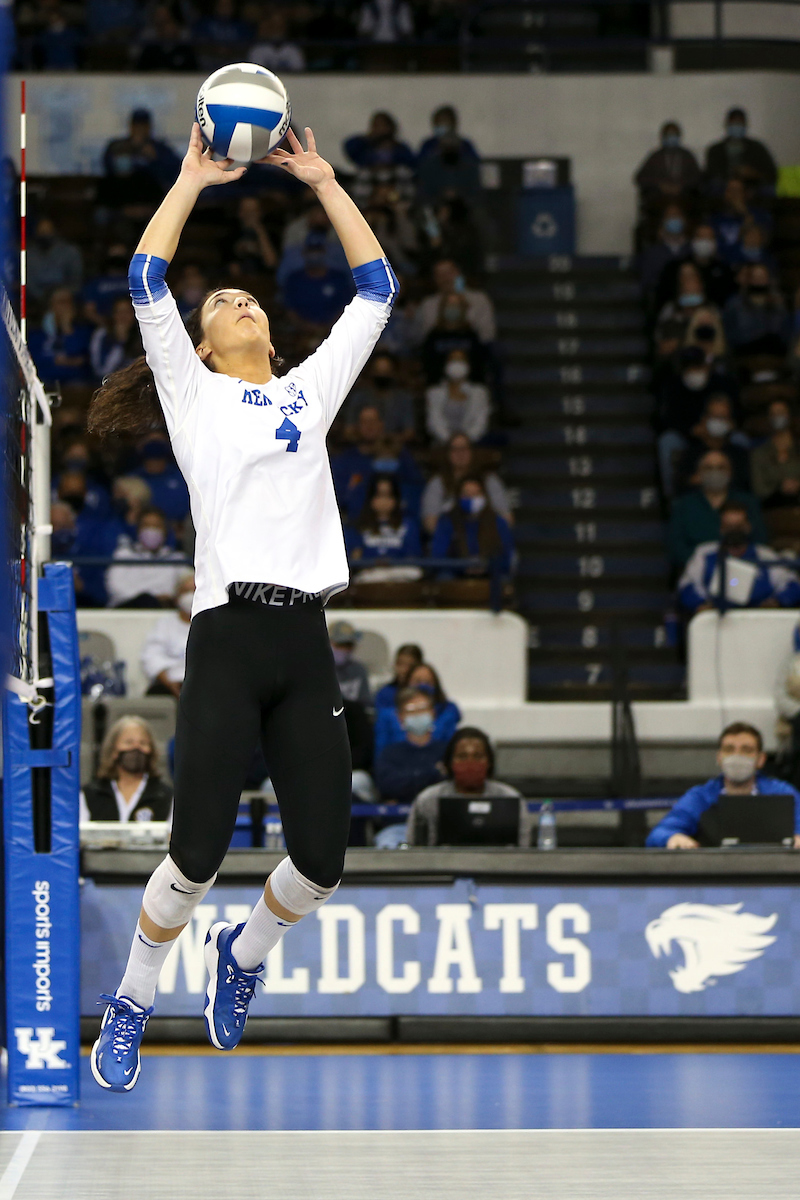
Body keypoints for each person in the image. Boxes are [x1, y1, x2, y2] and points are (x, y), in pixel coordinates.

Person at [85, 121, 399, 1090]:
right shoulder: (193, 394)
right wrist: (189, 178)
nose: (240, 301)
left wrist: (323, 181)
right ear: (205, 346)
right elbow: (145, 277)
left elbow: (377, 290)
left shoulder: (308, 392)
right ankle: (132, 1000)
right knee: (194, 854)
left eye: (248, 296)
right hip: (225, 636)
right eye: (221, 301)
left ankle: (243, 953)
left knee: (321, 862)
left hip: (303, 638)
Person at [646, 723, 800, 848]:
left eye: (746, 750)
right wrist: (672, 837)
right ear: (719, 757)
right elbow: (659, 833)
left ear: (761, 759)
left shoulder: (782, 793)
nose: (737, 756)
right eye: (729, 749)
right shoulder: (701, 796)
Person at [407, 726, 528, 846]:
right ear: (449, 762)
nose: (470, 763)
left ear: (489, 762)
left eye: (478, 756)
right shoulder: (428, 799)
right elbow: (414, 847)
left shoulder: (510, 798)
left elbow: (524, 848)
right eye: (462, 756)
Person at [677, 502, 800, 615]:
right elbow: (686, 586)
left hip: (759, 618)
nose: (734, 531)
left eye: (739, 526)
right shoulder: (704, 553)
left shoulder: (765, 554)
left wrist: (777, 601)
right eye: (729, 526)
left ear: (748, 527)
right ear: (721, 528)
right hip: (715, 619)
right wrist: (700, 604)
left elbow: (792, 584)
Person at [655, 345, 738, 498]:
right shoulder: (673, 386)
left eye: (697, 366)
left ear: (706, 366)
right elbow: (667, 420)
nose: (694, 371)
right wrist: (692, 430)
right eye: (689, 368)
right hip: (689, 437)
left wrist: (728, 426)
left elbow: (737, 413)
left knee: (741, 439)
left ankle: (742, 491)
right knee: (667, 441)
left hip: (722, 435)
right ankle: (670, 496)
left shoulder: (722, 383)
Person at [331, 403, 422, 522]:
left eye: (373, 421)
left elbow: (414, 492)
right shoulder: (344, 460)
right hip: (357, 524)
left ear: (382, 424)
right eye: (364, 422)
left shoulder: (401, 456)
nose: (369, 426)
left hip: (397, 524)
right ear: (357, 426)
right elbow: (338, 498)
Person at [668, 461, 767, 569]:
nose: (715, 472)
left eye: (721, 467)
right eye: (708, 467)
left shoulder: (765, 555)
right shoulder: (702, 556)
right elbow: (677, 547)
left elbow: (761, 539)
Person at [80, 716, 173, 824]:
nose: (136, 747)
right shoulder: (90, 794)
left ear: (151, 750)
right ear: (114, 751)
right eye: (129, 742)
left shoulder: (166, 796)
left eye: (143, 743)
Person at [421, 432, 512, 535]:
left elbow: (507, 519)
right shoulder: (438, 482)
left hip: (486, 537)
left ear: (472, 452)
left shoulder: (489, 480)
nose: (460, 454)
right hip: (451, 538)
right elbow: (429, 523)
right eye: (455, 449)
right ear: (448, 453)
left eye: (464, 449)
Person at [374, 686, 448, 802]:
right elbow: (387, 787)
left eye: (422, 709)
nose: (418, 714)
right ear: (400, 717)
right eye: (411, 711)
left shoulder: (446, 751)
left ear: (433, 713)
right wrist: (433, 773)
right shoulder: (390, 754)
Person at [430, 475, 514, 577]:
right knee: (444, 577)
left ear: (485, 496)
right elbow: (438, 557)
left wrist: (486, 566)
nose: (471, 498)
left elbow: (506, 557)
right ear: (458, 497)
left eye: (476, 494)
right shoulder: (447, 521)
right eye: (466, 494)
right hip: (456, 575)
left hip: (490, 575)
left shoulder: (498, 522)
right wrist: (463, 566)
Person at [374, 660, 461, 757]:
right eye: (417, 681)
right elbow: (381, 751)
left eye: (428, 682)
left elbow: (450, 751)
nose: (423, 686)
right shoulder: (388, 715)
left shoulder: (448, 712)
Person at [106, 508, 186, 609]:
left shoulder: (176, 558)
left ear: (165, 530)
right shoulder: (124, 554)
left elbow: (186, 585)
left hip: (163, 609)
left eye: (156, 526)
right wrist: (149, 598)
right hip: (128, 608)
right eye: (146, 525)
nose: (151, 530)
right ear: (138, 529)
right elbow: (115, 586)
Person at [101, 108, 181, 207]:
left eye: (143, 126)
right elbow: (109, 169)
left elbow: (175, 168)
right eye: (136, 126)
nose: (139, 130)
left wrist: (155, 158)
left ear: (149, 127)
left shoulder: (158, 148)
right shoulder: (118, 146)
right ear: (131, 126)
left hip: (151, 200)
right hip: (123, 199)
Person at [346, 473, 421, 576]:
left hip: (400, 573)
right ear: (370, 498)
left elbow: (413, 557)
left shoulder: (409, 525)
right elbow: (356, 558)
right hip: (370, 574)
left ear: (396, 499)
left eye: (389, 496)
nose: (384, 501)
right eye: (379, 495)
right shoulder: (360, 526)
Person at [412, 258, 496, 348]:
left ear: (459, 273)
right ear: (435, 279)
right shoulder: (427, 304)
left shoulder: (479, 299)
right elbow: (420, 338)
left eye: (449, 273)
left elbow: (488, 335)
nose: (445, 278)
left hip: (473, 351)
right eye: (440, 275)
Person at [675, 394, 750, 494]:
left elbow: (745, 488)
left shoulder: (740, 455)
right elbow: (681, 487)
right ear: (704, 419)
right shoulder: (690, 455)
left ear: (731, 423)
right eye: (714, 417)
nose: (718, 422)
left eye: (723, 417)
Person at [140, 572, 195, 697]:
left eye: (194, 591)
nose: (190, 596)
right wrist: (170, 684)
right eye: (186, 591)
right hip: (170, 683)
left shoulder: (211, 623)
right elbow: (152, 656)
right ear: (177, 596)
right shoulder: (165, 623)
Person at [283, 237, 355, 332]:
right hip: (302, 332)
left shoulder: (338, 278)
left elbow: (346, 307)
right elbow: (289, 309)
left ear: (324, 252)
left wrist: (328, 328)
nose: (314, 254)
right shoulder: (294, 279)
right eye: (311, 251)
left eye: (318, 251)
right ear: (304, 253)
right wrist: (307, 327)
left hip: (336, 330)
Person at [416, 106, 481, 207]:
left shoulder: (464, 144)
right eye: (438, 122)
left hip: (462, 196)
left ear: (453, 123)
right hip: (434, 194)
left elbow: (474, 166)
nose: (441, 125)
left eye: (445, 121)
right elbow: (420, 167)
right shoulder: (428, 145)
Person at [344, 351, 416, 442]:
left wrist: (388, 441)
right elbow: (348, 431)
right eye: (378, 371)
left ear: (394, 372)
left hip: (395, 447)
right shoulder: (359, 397)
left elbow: (409, 432)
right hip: (362, 446)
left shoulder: (403, 399)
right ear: (371, 372)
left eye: (386, 372)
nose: (382, 375)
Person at [723, 264, 791, 358]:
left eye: (762, 277)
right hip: (744, 354)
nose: (759, 281)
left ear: (769, 279)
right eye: (755, 277)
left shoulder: (779, 304)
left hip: (775, 354)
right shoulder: (734, 304)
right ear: (748, 279)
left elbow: (785, 332)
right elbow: (730, 333)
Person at [28, 288, 92, 388]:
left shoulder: (84, 331)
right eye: (62, 302)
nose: (66, 306)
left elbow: (81, 358)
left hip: (75, 384)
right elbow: (34, 360)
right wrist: (57, 360)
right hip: (43, 382)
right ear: (50, 306)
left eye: (69, 302)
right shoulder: (37, 333)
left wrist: (67, 327)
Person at [704, 108, 778, 194]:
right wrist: (734, 175)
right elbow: (711, 174)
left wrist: (753, 174)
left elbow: (771, 174)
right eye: (734, 123)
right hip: (724, 187)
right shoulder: (715, 150)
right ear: (727, 124)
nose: (737, 126)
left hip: (753, 186)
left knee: (767, 189)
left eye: (739, 123)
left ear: (745, 125)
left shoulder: (757, 148)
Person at [425, 349, 491, 444]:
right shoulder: (434, 393)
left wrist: (465, 442)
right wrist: (451, 442)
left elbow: (481, 422)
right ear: (446, 365)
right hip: (442, 444)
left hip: (472, 444)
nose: (457, 364)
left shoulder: (480, 393)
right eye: (453, 360)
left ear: (468, 365)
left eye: (460, 360)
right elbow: (434, 422)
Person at [633, 121, 702, 207]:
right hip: (660, 198)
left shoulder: (687, 156)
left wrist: (681, 185)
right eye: (668, 134)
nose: (671, 138)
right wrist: (660, 185)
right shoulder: (656, 156)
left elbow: (697, 177)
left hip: (683, 197)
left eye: (674, 134)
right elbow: (640, 177)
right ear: (663, 136)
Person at [751, 400, 800, 507]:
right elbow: (759, 490)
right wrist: (779, 489)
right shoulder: (759, 453)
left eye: (781, 412)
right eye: (773, 414)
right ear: (768, 418)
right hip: (771, 508)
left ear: (790, 415)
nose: (778, 416)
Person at [133, 434, 190, 526]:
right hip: (146, 527)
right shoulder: (135, 478)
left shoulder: (179, 475)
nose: (154, 463)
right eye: (151, 460)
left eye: (158, 459)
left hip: (181, 526)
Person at [639, 203, 690, 303]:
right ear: (663, 221)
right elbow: (647, 283)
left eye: (677, 215)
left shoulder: (692, 249)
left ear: (684, 220)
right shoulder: (652, 253)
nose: (674, 219)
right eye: (670, 216)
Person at [26, 216, 83, 303]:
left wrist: (63, 295)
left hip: (64, 297)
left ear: (55, 231)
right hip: (37, 300)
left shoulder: (70, 251)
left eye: (47, 231)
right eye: (42, 232)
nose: (44, 235)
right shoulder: (29, 254)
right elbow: (28, 281)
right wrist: (42, 297)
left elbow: (76, 280)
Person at [90, 296, 142, 379]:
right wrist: (120, 342)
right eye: (119, 311)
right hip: (108, 383)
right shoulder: (101, 334)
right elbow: (101, 371)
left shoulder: (142, 334)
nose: (123, 316)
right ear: (113, 314)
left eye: (127, 312)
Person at [226, 196, 278, 279]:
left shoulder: (272, 234)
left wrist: (259, 230)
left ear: (260, 213)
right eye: (246, 211)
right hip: (239, 280)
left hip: (266, 279)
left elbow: (271, 262)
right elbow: (231, 266)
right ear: (239, 213)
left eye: (253, 211)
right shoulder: (231, 235)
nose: (250, 215)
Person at [82, 242, 132, 325]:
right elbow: (89, 311)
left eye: (121, 257)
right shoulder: (95, 283)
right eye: (114, 258)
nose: (118, 261)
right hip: (104, 326)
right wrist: (108, 326)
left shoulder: (135, 281)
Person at [329, 619, 371, 707]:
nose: (344, 649)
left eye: (348, 645)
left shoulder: (359, 670)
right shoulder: (319, 671)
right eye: (340, 645)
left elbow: (365, 702)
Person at [374, 642, 423, 709]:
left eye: (410, 665)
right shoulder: (385, 693)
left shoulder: (425, 693)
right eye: (400, 664)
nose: (404, 670)